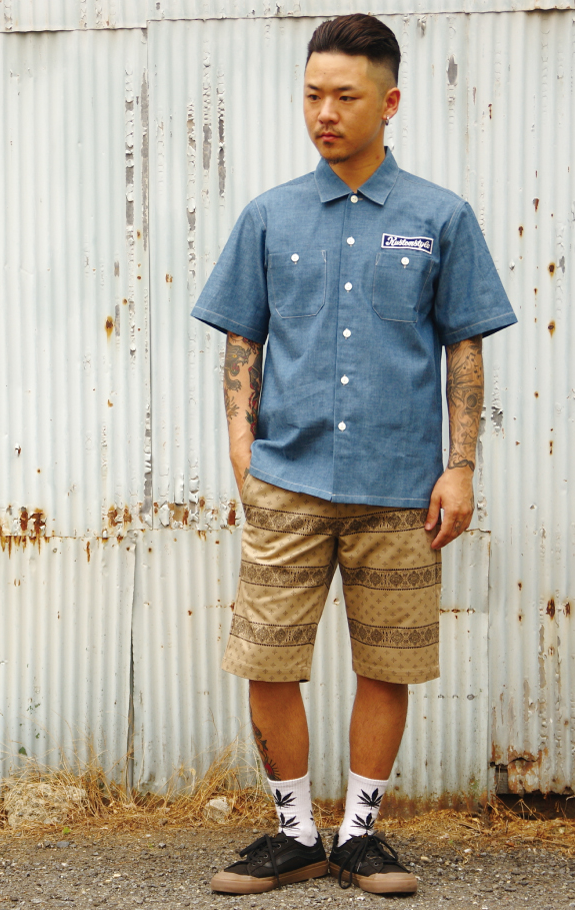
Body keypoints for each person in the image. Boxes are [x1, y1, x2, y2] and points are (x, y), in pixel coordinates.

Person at [191, 12, 516, 897]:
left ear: (390, 102)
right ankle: (295, 834)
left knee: (387, 661)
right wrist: (241, 444)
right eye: (312, 95)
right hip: (287, 482)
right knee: (267, 659)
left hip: (399, 488)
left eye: (344, 96)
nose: (325, 113)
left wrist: (461, 466)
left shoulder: (440, 217)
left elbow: (463, 348)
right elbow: (242, 337)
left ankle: (360, 837)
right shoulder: (270, 215)